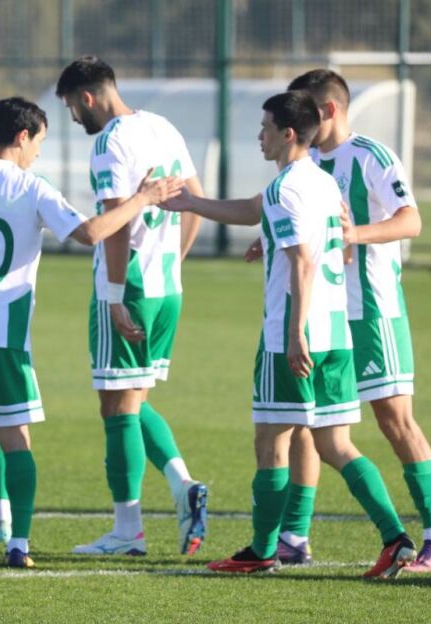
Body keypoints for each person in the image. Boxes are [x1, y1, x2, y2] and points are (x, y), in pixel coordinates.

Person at [0, 96, 184, 568]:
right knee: (15, 438)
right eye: (38, 141)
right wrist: (143, 199)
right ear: (22, 137)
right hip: (6, 336)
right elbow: (92, 233)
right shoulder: (32, 188)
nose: (38, 152)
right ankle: (19, 543)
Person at [165, 90, 416, 578]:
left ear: (287, 133)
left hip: (291, 336)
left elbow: (302, 262)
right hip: (336, 334)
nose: (259, 135)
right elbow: (272, 219)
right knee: (336, 444)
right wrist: (192, 202)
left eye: (265, 127)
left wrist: (295, 332)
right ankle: (396, 538)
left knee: (270, 440)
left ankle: (263, 550)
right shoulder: (322, 182)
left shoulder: (286, 189)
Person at [264, 70, 431, 573]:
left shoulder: (371, 155)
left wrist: (356, 234)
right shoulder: (307, 164)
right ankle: (294, 536)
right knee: (306, 423)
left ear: (327, 110)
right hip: (325, 313)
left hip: (373, 311)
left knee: (395, 422)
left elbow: (412, 220)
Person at [55, 56, 209, 557]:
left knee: (117, 407)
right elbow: (196, 200)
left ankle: (128, 531)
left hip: (129, 285)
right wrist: (175, 261)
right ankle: (183, 485)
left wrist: (116, 293)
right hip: (166, 287)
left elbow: (116, 225)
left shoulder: (109, 142)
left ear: (87, 97)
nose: (73, 118)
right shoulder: (162, 126)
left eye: (72, 107)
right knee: (132, 400)